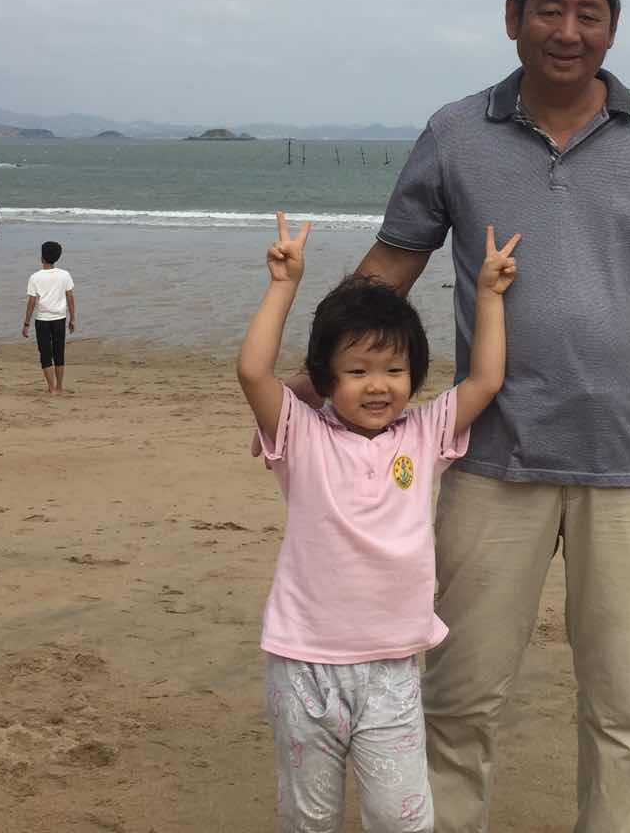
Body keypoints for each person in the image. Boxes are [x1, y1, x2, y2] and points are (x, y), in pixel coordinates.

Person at [288, 0, 630, 832]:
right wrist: (313, 373)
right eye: (549, 10)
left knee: (623, 703)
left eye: (589, 14)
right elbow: (393, 264)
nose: (569, 31)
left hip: (629, 457)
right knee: (460, 696)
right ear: (513, 17)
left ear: (613, 26)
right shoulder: (457, 133)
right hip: (491, 456)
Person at [238, 212, 520, 833]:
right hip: (303, 662)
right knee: (309, 818)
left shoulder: (423, 434)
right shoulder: (300, 434)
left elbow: (486, 380)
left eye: (394, 371)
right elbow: (254, 372)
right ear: (324, 378)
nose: (378, 387)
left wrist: (488, 295)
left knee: (402, 817)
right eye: (358, 371)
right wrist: (283, 286)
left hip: (392, 667)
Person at [21, 240, 76, 395]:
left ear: (42, 257)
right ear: (57, 257)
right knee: (59, 352)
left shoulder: (35, 277)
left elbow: (31, 302)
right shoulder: (65, 275)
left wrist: (26, 323)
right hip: (60, 318)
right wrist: (72, 318)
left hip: (42, 320)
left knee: (45, 354)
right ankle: (59, 387)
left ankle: (51, 388)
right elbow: (70, 297)